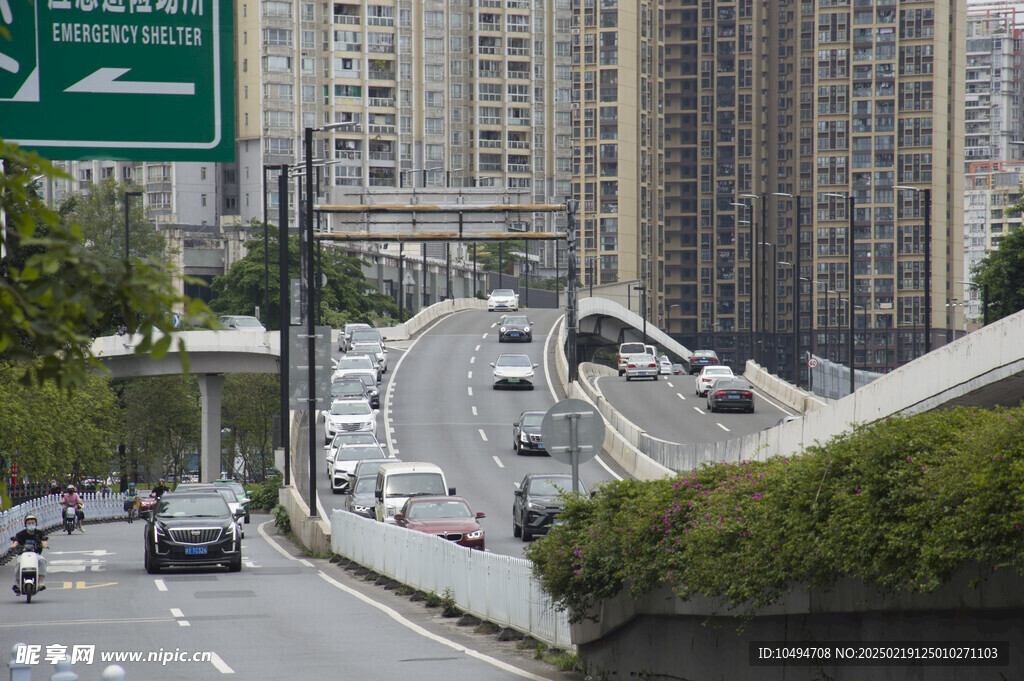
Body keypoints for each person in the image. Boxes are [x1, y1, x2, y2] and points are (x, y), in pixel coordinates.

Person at [11, 514, 47, 595]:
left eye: (33, 523)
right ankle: (18, 583)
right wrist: (14, 545)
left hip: (35, 555)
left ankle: (40, 582)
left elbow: (44, 541)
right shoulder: (21, 534)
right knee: (18, 564)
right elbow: (16, 541)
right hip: (23, 556)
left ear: (36, 523)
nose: (31, 525)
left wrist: (44, 544)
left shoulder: (39, 533)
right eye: (29, 523)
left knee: (42, 560)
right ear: (25, 524)